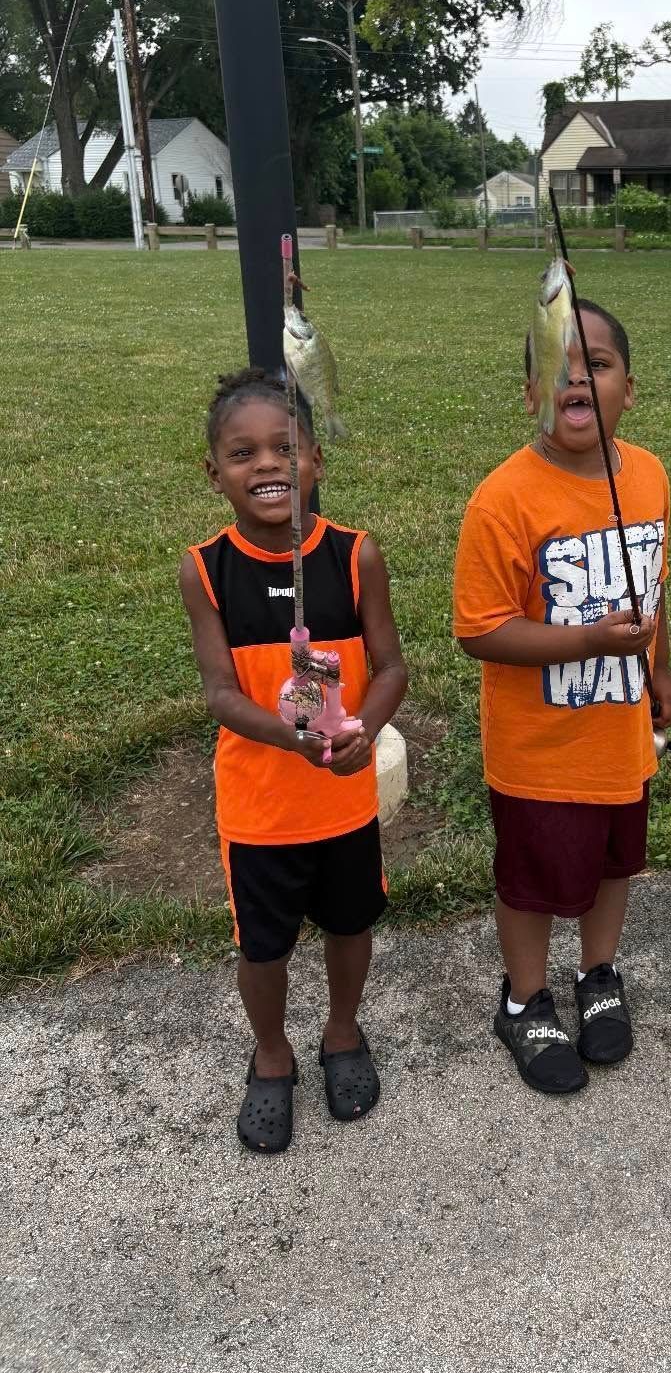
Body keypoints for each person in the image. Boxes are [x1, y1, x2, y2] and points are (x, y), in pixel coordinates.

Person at [453, 299, 671, 1096]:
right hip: (536, 749)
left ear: (628, 389)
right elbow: (478, 630)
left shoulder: (648, 475)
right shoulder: (503, 499)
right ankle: (523, 1000)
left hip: (618, 733)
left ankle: (597, 973)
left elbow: (652, 589)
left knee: (614, 862)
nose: (575, 376)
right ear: (528, 395)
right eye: (555, 364)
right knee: (532, 879)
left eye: (597, 363)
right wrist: (585, 641)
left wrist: (657, 667)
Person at [180, 368, 408, 1152]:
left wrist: (361, 733)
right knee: (263, 944)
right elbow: (218, 692)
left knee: (350, 923)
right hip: (261, 808)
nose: (267, 464)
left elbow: (390, 668)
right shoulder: (206, 567)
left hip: (342, 799)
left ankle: (342, 1031)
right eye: (243, 453)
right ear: (215, 473)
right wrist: (293, 738)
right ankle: (271, 1052)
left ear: (315, 458)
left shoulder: (354, 555)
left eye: (285, 446)